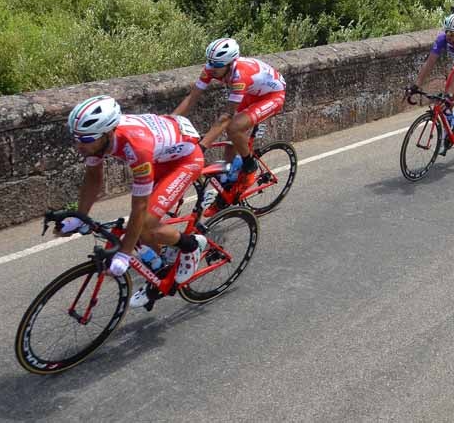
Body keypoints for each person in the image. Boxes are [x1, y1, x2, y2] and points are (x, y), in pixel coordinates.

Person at [58, 96, 207, 307]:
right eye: (75, 138)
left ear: (108, 133)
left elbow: (139, 206)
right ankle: (160, 273)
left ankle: (191, 245)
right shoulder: (96, 141)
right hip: (162, 154)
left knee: (144, 223)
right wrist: (79, 216)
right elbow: (93, 178)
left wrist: (125, 254)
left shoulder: (137, 148)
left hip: (185, 160)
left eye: (86, 140)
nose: (79, 145)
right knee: (139, 230)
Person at [173, 38, 286, 202]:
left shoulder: (240, 76)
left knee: (233, 127)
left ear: (230, 63)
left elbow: (226, 117)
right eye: (210, 63)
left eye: (217, 66)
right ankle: (229, 186)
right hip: (252, 92)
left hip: (272, 95)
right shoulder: (212, 67)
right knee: (229, 146)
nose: (212, 69)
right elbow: (192, 98)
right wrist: (169, 121)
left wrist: (202, 147)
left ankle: (249, 165)